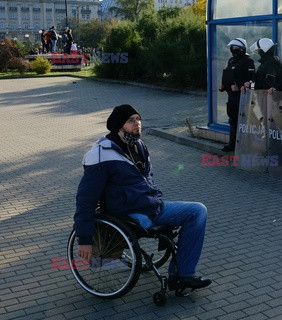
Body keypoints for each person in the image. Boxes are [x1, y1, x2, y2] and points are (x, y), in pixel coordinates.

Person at [74, 104, 212, 290]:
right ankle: (178, 265)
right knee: (152, 227)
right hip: (126, 214)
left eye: (138, 118)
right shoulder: (101, 156)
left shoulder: (138, 146)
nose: (137, 123)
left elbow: (148, 180)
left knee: (197, 211)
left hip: (152, 206)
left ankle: (182, 275)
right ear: (118, 125)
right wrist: (85, 239)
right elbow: (85, 199)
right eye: (131, 120)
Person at [219, 38, 255, 152]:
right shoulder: (231, 60)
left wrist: (239, 88)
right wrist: (223, 86)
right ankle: (232, 145)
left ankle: (244, 145)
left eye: (236, 48)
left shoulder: (248, 61)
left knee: (243, 121)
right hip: (231, 96)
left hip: (243, 97)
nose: (234, 50)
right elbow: (228, 76)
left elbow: (252, 81)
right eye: (232, 48)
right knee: (232, 120)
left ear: (242, 49)